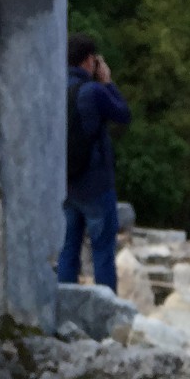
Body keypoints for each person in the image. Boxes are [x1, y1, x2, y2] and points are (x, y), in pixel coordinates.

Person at [58, 33, 130, 293]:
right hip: (96, 184)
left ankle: (65, 307)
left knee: (68, 249)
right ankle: (107, 312)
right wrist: (108, 82)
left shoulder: (55, 86)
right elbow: (123, 114)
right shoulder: (94, 91)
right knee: (102, 251)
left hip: (65, 183)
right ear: (90, 60)